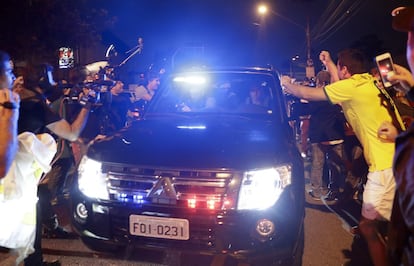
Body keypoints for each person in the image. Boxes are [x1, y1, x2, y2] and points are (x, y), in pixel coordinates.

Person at [281, 48, 404, 266]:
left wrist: (286, 82)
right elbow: (340, 87)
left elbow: (308, 94)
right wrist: (329, 62)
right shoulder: (367, 82)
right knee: (394, 216)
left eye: (338, 68)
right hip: (401, 157)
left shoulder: (352, 87)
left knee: (368, 226)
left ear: (345, 69)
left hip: (385, 164)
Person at [17, 64, 91, 266]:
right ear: (41, 78)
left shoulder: (13, 98)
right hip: (18, 172)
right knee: (31, 211)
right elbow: (72, 133)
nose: (55, 80)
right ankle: (34, 261)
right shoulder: (34, 102)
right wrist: (87, 106)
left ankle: (34, 258)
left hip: (12, 167)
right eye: (51, 76)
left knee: (38, 202)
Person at [304, 70, 347, 201]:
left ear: (318, 81)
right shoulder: (335, 95)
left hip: (319, 135)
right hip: (335, 135)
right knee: (335, 165)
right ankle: (335, 190)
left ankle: (316, 191)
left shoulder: (314, 97)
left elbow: (307, 114)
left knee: (318, 164)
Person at [0, 51, 19, 178]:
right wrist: (11, 110)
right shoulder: (8, 105)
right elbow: (2, 168)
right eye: (9, 72)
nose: (13, 77)